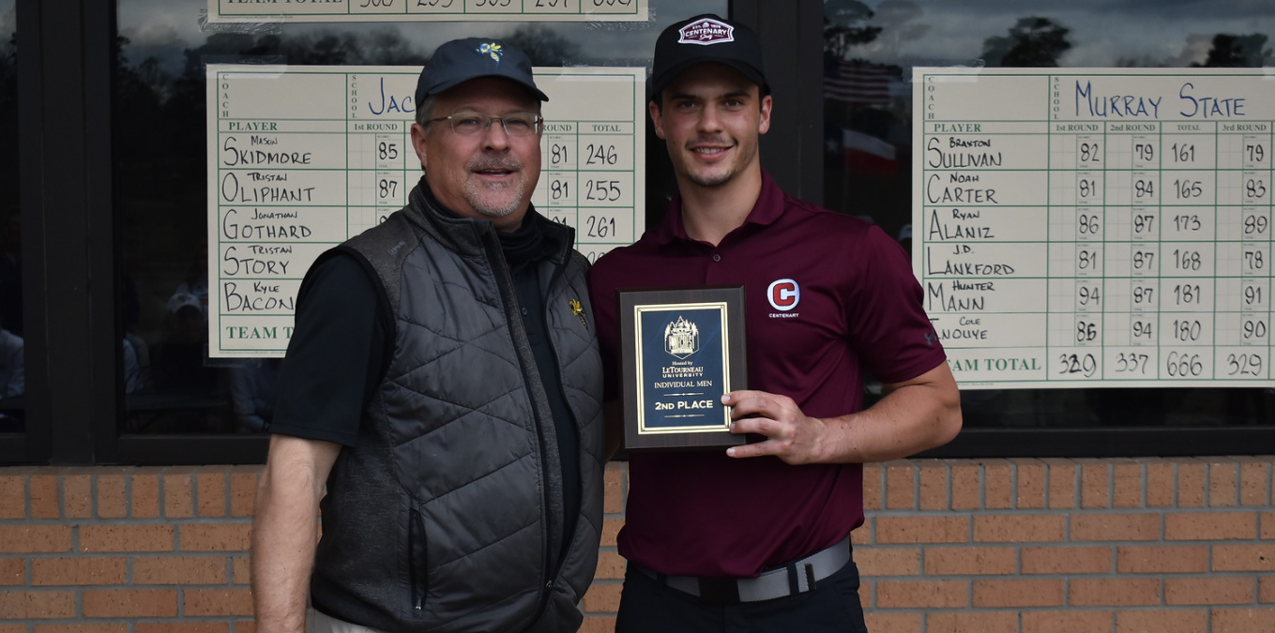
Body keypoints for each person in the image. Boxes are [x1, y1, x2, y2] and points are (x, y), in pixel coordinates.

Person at [589, 14, 962, 632]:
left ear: (763, 112)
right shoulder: (615, 278)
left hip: (806, 603)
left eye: (731, 102)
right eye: (688, 103)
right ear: (659, 119)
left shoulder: (851, 249)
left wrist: (818, 437)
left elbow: (938, 407)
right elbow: (597, 429)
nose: (711, 124)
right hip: (660, 606)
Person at [252, 38, 605, 633]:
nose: (497, 141)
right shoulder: (365, 278)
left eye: (517, 121)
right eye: (468, 121)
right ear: (421, 142)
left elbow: (592, 429)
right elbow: (295, 474)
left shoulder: (570, 277)